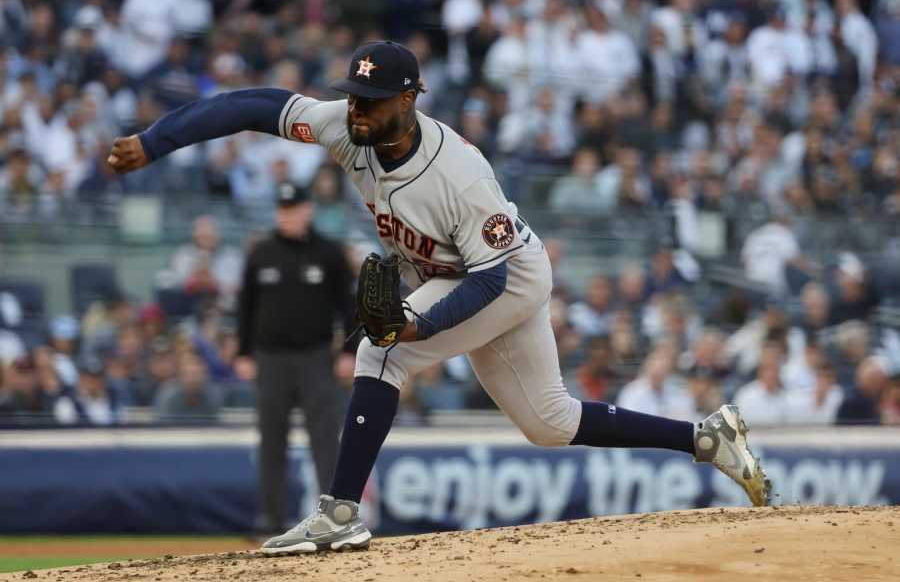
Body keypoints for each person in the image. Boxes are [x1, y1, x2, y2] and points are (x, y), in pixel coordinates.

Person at [106, 40, 770, 555]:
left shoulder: (461, 175)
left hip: (506, 275)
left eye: (372, 100)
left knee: (381, 353)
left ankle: (339, 512)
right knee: (551, 424)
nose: (356, 109)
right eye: (354, 96)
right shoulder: (343, 125)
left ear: (410, 99)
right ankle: (706, 438)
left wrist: (414, 332)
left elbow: (491, 279)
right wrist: (156, 141)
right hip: (454, 275)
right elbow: (249, 105)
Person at [234, 181, 356, 535]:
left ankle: (336, 519)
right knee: (271, 441)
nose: (286, 216)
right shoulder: (261, 254)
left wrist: (348, 350)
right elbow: (245, 308)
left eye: (293, 209)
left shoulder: (329, 253)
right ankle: (270, 520)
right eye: (282, 210)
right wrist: (243, 352)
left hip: (316, 357)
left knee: (325, 442)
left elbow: (349, 308)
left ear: (307, 210)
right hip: (270, 359)